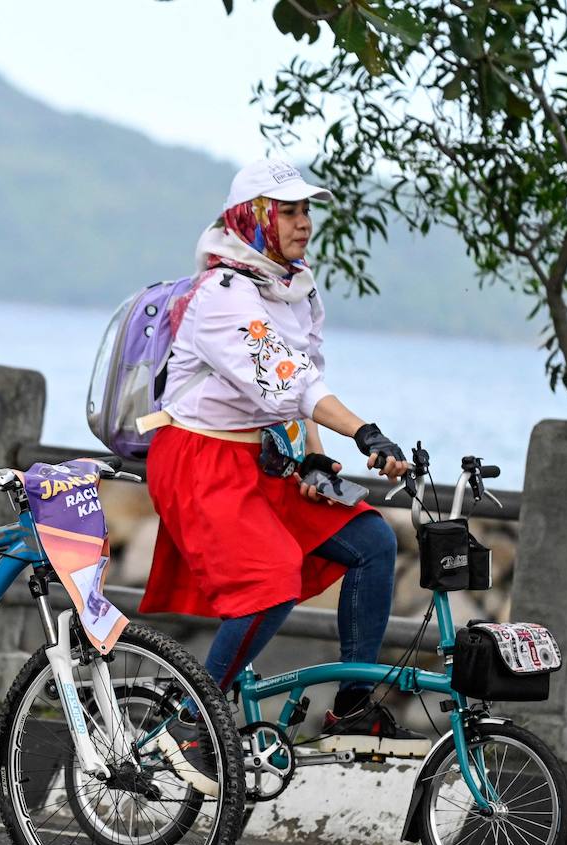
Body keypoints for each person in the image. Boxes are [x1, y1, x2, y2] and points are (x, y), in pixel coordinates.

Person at [140, 158, 429, 768]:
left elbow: (302, 389)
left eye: (307, 210)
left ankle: (351, 708)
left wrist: (320, 464)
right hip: (197, 457)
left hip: (261, 456)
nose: (304, 223)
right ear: (254, 217)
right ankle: (191, 720)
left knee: (373, 540)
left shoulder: (294, 286)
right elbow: (289, 381)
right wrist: (365, 432)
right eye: (289, 211)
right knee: (270, 581)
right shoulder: (221, 294)